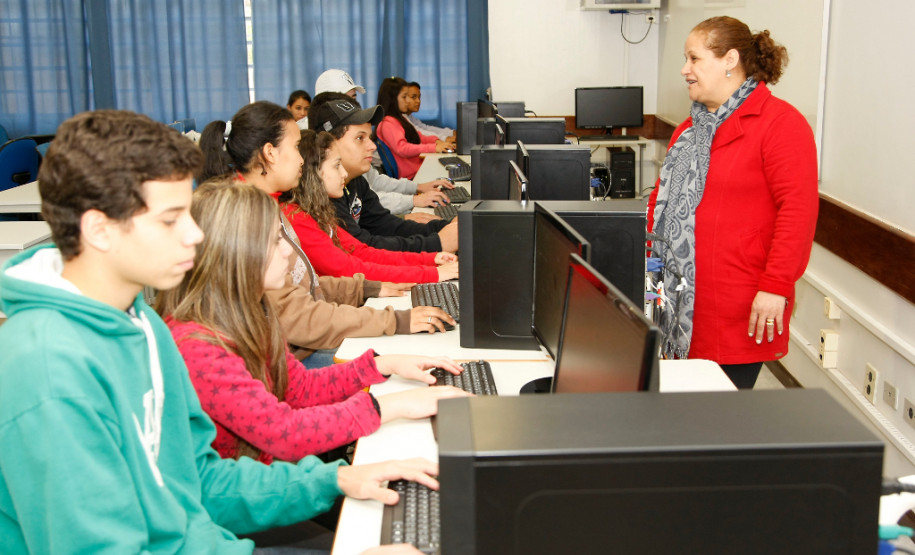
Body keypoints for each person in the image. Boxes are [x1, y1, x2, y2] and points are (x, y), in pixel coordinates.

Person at [0, 109, 438, 553]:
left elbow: (198, 484)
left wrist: (334, 479)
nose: (194, 235)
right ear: (99, 229)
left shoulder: (141, 324)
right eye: (172, 219)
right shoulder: (48, 371)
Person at [156, 180, 468, 464]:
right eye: (273, 241)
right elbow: (283, 434)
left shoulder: (250, 310)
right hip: (249, 502)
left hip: (276, 478)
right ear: (237, 255)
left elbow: (300, 388)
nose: (286, 253)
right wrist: (391, 407)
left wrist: (383, 365)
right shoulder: (201, 347)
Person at [198, 101, 457, 367]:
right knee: (417, 357)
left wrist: (366, 288)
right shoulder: (247, 218)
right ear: (270, 153)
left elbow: (310, 284)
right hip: (288, 359)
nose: (301, 159)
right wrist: (394, 318)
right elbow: (298, 314)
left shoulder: (269, 206)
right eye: (296, 148)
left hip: (295, 346)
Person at [647, 16, 818, 389]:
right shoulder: (689, 130)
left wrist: (775, 285)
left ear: (730, 60)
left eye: (694, 59)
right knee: (677, 415)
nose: (684, 70)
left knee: (718, 425)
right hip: (672, 299)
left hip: (736, 304)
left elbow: (798, 213)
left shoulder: (781, 125)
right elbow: (658, 205)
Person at [282, 129, 459, 284]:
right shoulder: (298, 217)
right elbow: (348, 267)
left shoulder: (319, 212)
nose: (343, 173)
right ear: (312, 173)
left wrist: (430, 259)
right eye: (337, 166)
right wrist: (430, 272)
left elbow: (363, 252)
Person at [309, 92, 459, 253]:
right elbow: (363, 248)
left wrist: (448, 226)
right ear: (328, 144)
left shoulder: (354, 180)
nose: (372, 146)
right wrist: (436, 244)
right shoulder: (323, 195)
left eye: (369, 137)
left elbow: (385, 225)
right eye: (360, 138)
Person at [374, 77, 453, 180]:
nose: (407, 101)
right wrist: (433, 147)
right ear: (392, 99)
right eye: (404, 97)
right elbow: (402, 148)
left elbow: (418, 136)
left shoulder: (400, 118)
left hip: (418, 168)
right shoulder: (387, 124)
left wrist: (437, 141)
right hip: (412, 175)